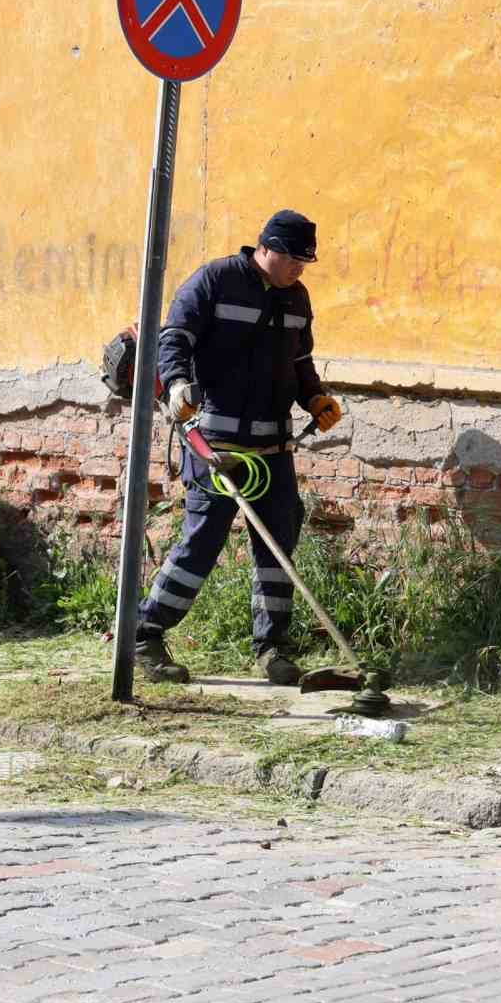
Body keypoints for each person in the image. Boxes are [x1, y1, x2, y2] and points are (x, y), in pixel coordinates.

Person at [133, 210, 343, 686]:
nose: (299, 269)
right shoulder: (215, 280)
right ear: (266, 247)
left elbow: (300, 360)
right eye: (292, 258)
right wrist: (179, 384)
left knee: (279, 546)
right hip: (216, 443)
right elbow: (174, 338)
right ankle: (145, 634)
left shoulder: (297, 297)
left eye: (305, 261)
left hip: (272, 447)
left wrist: (314, 397)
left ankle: (271, 649)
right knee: (203, 541)